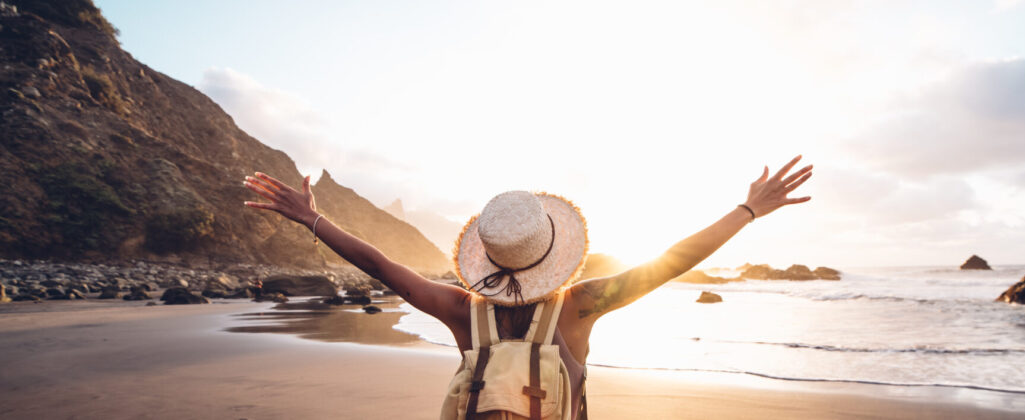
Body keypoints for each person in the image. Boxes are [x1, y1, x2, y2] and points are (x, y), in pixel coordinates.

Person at [242, 156, 812, 419]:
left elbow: (381, 264)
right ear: (553, 254)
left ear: (486, 255)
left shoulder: (461, 309)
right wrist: (747, 210)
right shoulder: (582, 304)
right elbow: (672, 261)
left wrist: (314, 220)